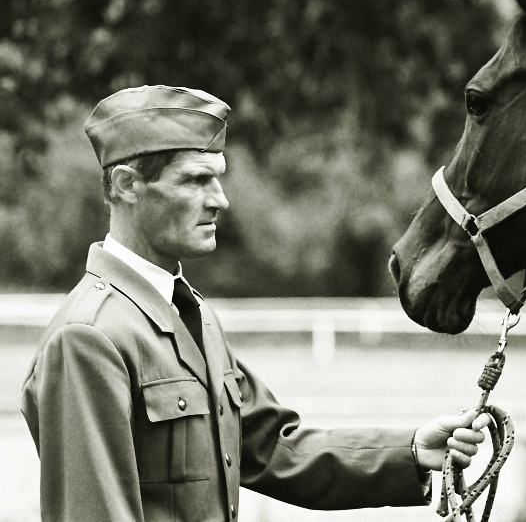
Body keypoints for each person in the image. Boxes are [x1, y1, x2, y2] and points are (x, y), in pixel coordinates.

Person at [21, 85, 489, 521]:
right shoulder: (88, 338)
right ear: (126, 185)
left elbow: (273, 447)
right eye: (195, 180)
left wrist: (409, 451)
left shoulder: (190, 315)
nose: (219, 200)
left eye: (218, 178)